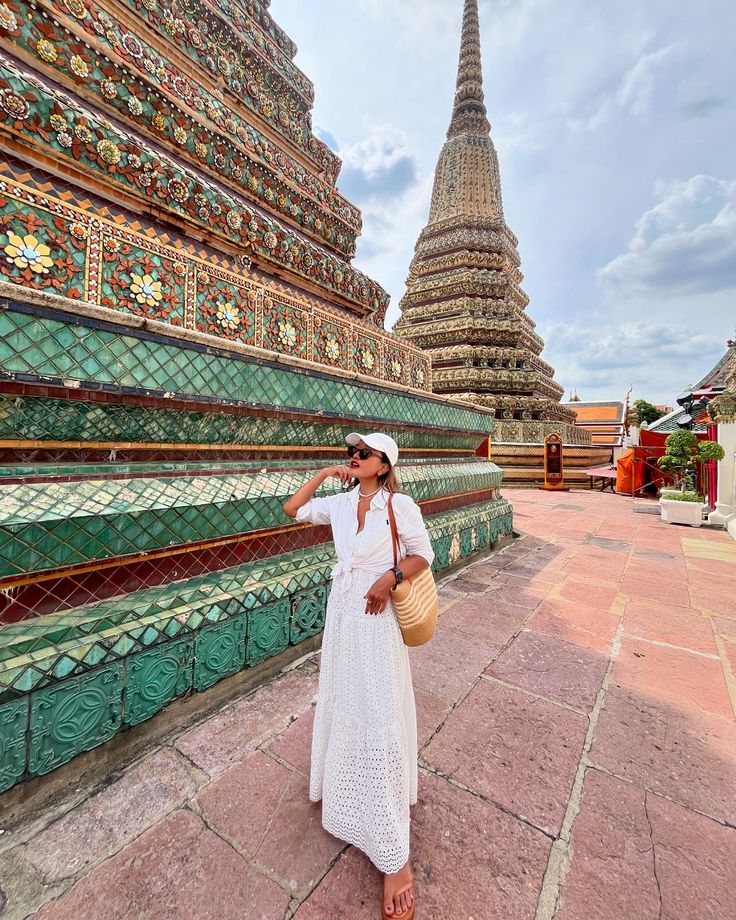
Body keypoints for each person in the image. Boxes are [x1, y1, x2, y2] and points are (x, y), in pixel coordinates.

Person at [283, 432, 434, 919]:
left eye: (364, 453)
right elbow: (292, 509)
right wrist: (326, 475)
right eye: (352, 452)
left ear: (384, 464)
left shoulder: (399, 504)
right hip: (344, 614)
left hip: (378, 615)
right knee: (345, 697)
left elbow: (422, 554)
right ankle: (344, 787)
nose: (355, 457)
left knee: (380, 707)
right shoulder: (342, 504)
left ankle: (396, 858)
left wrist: (389, 580)